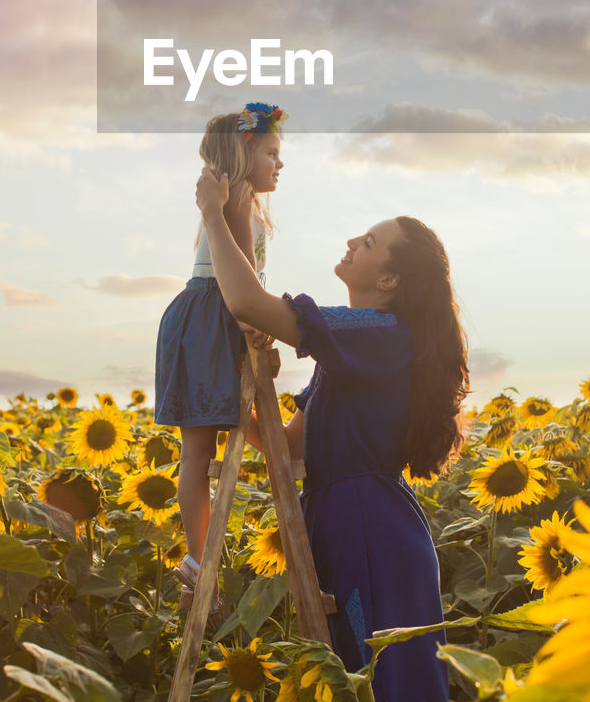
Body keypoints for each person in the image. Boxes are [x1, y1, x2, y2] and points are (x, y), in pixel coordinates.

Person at [195, 167, 468, 702]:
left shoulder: (379, 333)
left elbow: (249, 302)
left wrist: (213, 215)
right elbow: (293, 448)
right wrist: (234, 402)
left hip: (368, 526)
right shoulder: (356, 348)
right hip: (350, 516)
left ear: (389, 280)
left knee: (380, 681)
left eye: (368, 242)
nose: (351, 242)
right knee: (360, 676)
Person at [154, 103, 286, 609]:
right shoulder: (237, 203)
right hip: (214, 315)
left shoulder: (240, 202)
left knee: (205, 444)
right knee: (200, 450)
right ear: (244, 152)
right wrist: (259, 325)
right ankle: (197, 556)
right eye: (272, 153)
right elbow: (243, 283)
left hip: (205, 315)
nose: (280, 164)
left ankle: (198, 554)